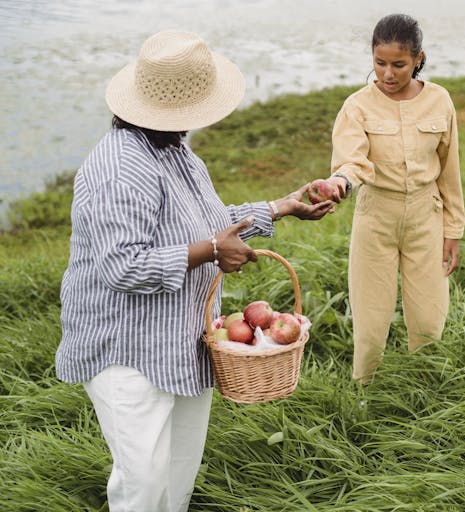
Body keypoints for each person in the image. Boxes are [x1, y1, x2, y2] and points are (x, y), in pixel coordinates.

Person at [54, 30, 335, 511]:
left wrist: (279, 207)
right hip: (129, 352)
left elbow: (208, 223)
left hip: (182, 339)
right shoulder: (119, 167)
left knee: (178, 474)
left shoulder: (175, 152)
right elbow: (124, 266)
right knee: (142, 487)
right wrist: (209, 251)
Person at [326, 14, 465, 383]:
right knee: (371, 324)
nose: (387, 74)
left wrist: (453, 230)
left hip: (427, 217)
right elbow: (351, 161)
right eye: (379, 63)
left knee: (429, 321)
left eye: (399, 65)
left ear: (419, 58)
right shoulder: (356, 106)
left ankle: (426, 394)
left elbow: (449, 171)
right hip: (376, 218)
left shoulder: (440, 101)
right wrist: (339, 182)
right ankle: (364, 397)